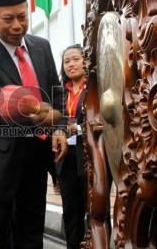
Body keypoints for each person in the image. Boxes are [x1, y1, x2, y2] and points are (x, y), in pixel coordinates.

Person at [0, 0, 68, 248]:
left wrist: (59, 127)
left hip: (36, 162)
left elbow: (57, 93)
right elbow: (5, 112)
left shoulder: (41, 47)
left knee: (30, 236)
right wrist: (46, 115)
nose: (17, 25)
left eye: (22, 16)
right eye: (8, 19)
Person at [56, 45, 87, 249]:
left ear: (86, 61)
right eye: (67, 61)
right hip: (65, 158)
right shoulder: (59, 92)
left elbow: (107, 120)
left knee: (94, 211)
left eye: (76, 59)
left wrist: (78, 129)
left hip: (90, 157)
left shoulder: (96, 88)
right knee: (71, 212)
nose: (71, 64)